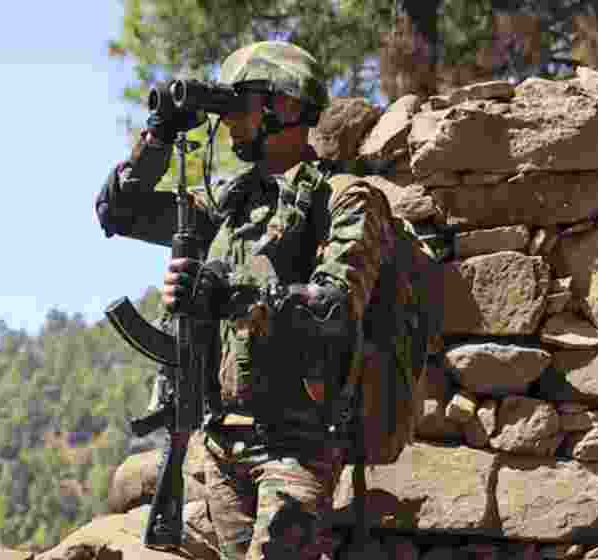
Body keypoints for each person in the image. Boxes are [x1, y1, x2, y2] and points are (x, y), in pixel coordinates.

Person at [95, 41, 399, 560]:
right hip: (221, 441)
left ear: (284, 107)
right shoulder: (229, 204)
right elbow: (119, 212)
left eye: (244, 102)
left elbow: (337, 304)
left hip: (298, 440)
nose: (229, 117)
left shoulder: (344, 198)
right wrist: (160, 135)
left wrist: (226, 291)